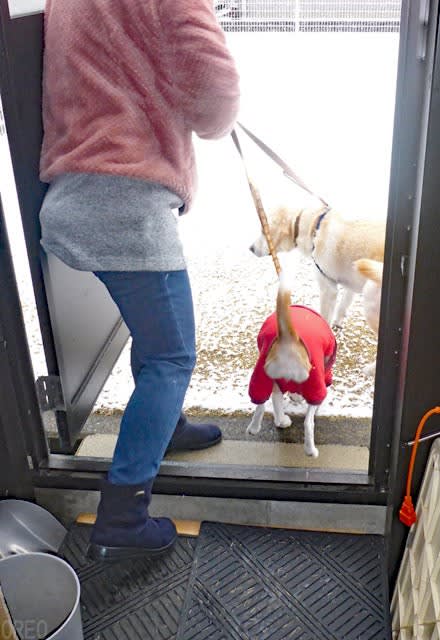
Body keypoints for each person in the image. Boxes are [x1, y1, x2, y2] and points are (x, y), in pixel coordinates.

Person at [39, 0, 240, 561]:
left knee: (154, 338)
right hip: (125, 203)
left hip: (76, 192)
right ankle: (122, 518)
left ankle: (165, 426)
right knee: (171, 357)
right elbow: (215, 101)